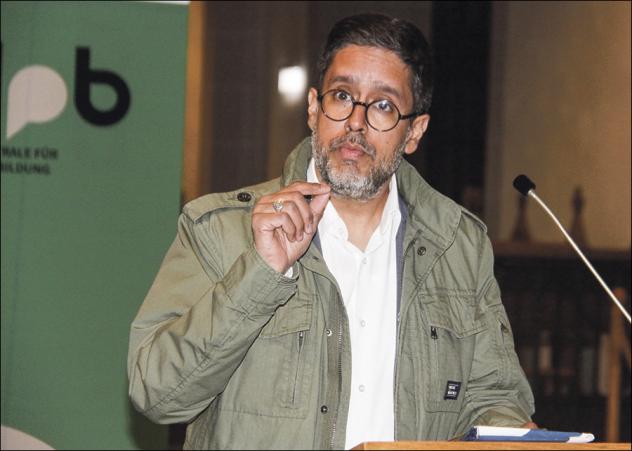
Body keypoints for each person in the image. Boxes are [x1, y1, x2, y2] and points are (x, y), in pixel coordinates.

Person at [127, 13, 535, 450]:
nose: (355, 123)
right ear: (313, 108)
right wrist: (260, 274)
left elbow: (497, 398)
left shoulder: (458, 244)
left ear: (414, 131)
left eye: (383, 105)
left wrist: (508, 432)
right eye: (342, 96)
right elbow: (157, 392)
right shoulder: (221, 229)